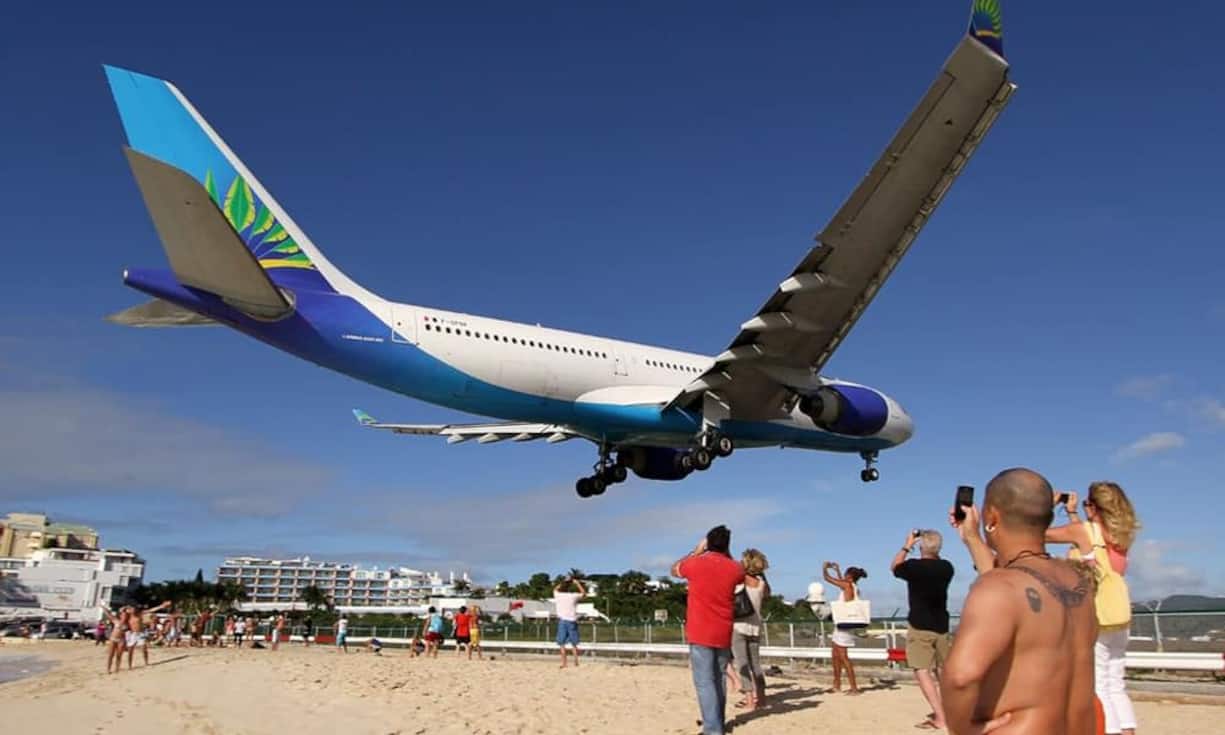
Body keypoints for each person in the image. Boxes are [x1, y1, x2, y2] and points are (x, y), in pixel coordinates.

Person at [943, 468, 1098, 735]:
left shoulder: (998, 587)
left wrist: (961, 729)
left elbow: (960, 677)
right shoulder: (1078, 584)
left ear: (991, 516)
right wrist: (971, 537)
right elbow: (1015, 590)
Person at [1047, 482, 1141, 735]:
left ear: (1095, 507)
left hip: (1094, 616)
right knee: (1115, 685)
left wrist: (1049, 506)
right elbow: (1089, 545)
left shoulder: (1085, 531)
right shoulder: (1120, 537)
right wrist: (1073, 513)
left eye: (1088, 503)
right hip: (1119, 616)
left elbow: (1035, 534)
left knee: (1097, 686)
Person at [671, 525, 745, 735]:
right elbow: (736, 571)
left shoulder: (696, 564)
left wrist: (696, 551)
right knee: (719, 677)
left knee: (704, 682)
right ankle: (717, 722)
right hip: (723, 630)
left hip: (700, 629)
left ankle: (712, 729)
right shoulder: (735, 568)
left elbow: (675, 569)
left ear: (708, 543)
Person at [892, 529, 956, 730]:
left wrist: (906, 545)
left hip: (920, 624)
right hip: (942, 625)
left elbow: (895, 567)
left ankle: (940, 716)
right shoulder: (947, 568)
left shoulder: (913, 567)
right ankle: (951, 711)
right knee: (942, 670)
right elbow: (934, 561)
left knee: (921, 670)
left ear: (921, 547)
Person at [731, 548, 770, 712]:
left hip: (739, 627)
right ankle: (761, 698)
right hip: (756, 627)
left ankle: (749, 700)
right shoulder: (762, 585)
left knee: (742, 665)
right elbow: (767, 594)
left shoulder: (739, 582)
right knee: (756, 665)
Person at [822, 562, 867, 695]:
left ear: (849, 575)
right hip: (843, 624)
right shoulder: (853, 587)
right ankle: (836, 684)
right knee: (835, 655)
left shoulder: (847, 585)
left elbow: (827, 579)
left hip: (844, 625)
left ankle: (854, 687)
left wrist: (825, 568)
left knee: (843, 656)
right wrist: (838, 571)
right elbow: (843, 583)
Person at [553, 577, 586, 669]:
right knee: (574, 643)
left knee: (562, 643)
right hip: (572, 621)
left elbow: (555, 589)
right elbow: (584, 594)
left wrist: (564, 581)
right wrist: (577, 583)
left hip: (562, 621)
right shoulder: (573, 596)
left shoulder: (558, 595)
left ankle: (564, 663)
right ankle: (576, 662)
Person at [126, 601, 171, 669]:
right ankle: (129, 666)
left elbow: (151, 610)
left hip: (140, 633)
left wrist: (161, 606)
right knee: (130, 651)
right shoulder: (127, 615)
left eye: (134, 608)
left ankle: (146, 663)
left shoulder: (140, 614)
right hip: (132, 634)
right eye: (132, 608)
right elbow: (121, 611)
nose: (133, 610)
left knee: (144, 649)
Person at [101, 606, 128, 674]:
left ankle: (117, 668)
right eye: (123, 615)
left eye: (125, 615)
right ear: (120, 615)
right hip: (113, 639)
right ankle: (108, 669)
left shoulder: (128, 623)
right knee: (111, 655)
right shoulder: (116, 620)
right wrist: (103, 607)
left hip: (121, 640)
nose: (124, 616)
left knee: (119, 655)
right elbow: (108, 614)